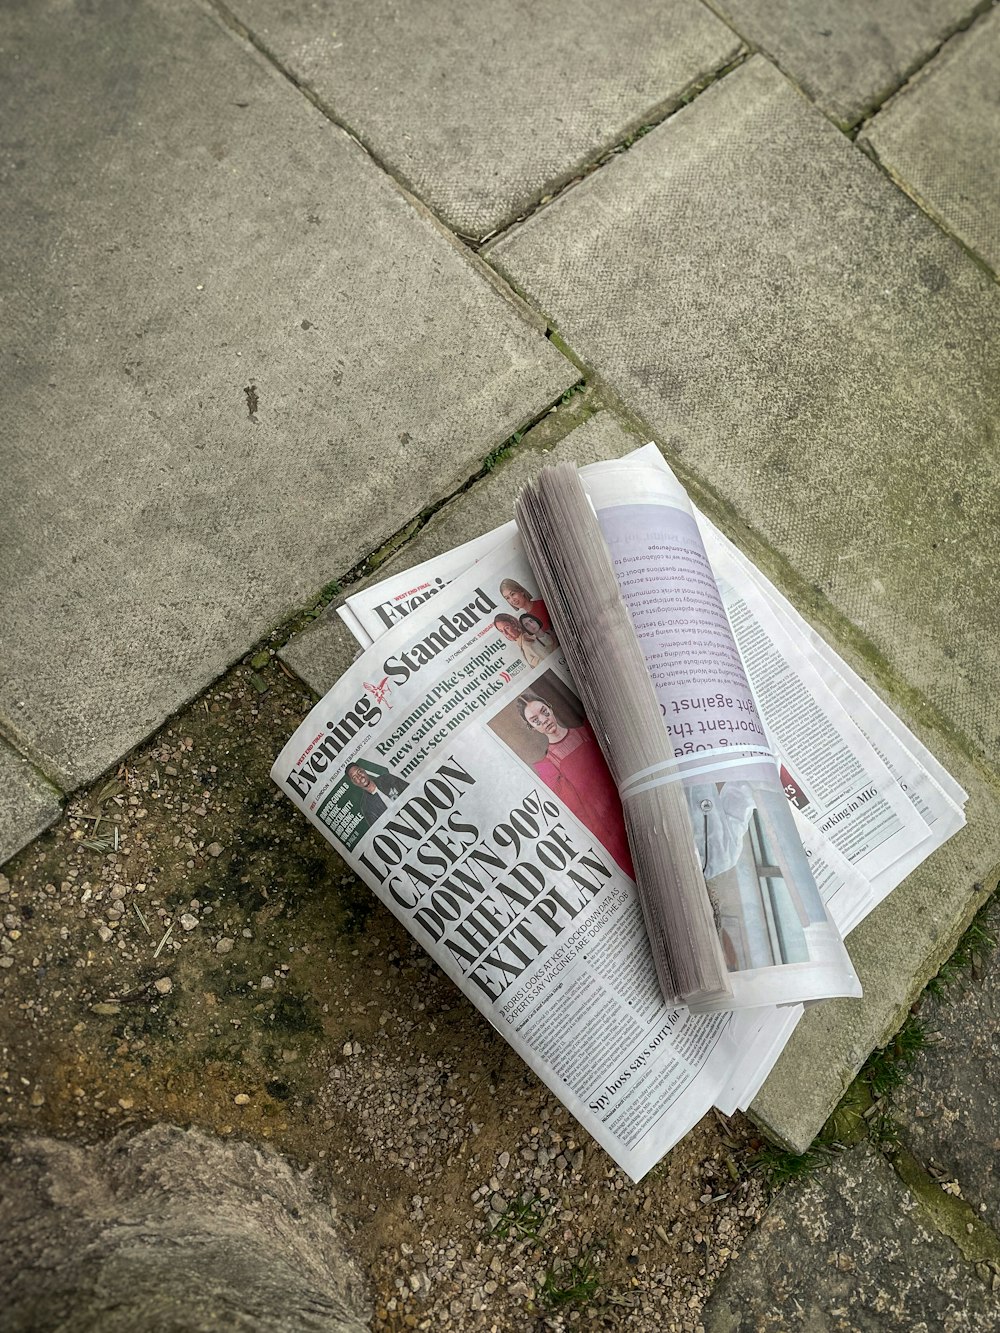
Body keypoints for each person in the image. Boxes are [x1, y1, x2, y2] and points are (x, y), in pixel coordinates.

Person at [517, 694, 633, 877]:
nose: (544, 720)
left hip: (630, 805)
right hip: (609, 829)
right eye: (535, 720)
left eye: (544, 712)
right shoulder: (549, 766)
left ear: (550, 707)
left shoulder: (588, 731)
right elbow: (579, 814)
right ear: (531, 727)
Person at [345, 763, 409, 828]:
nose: (359, 777)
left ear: (364, 770)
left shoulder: (387, 778)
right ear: (354, 783)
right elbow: (379, 829)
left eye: (359, 772)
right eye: (355, 777)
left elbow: (410, 789)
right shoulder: (366, 807)